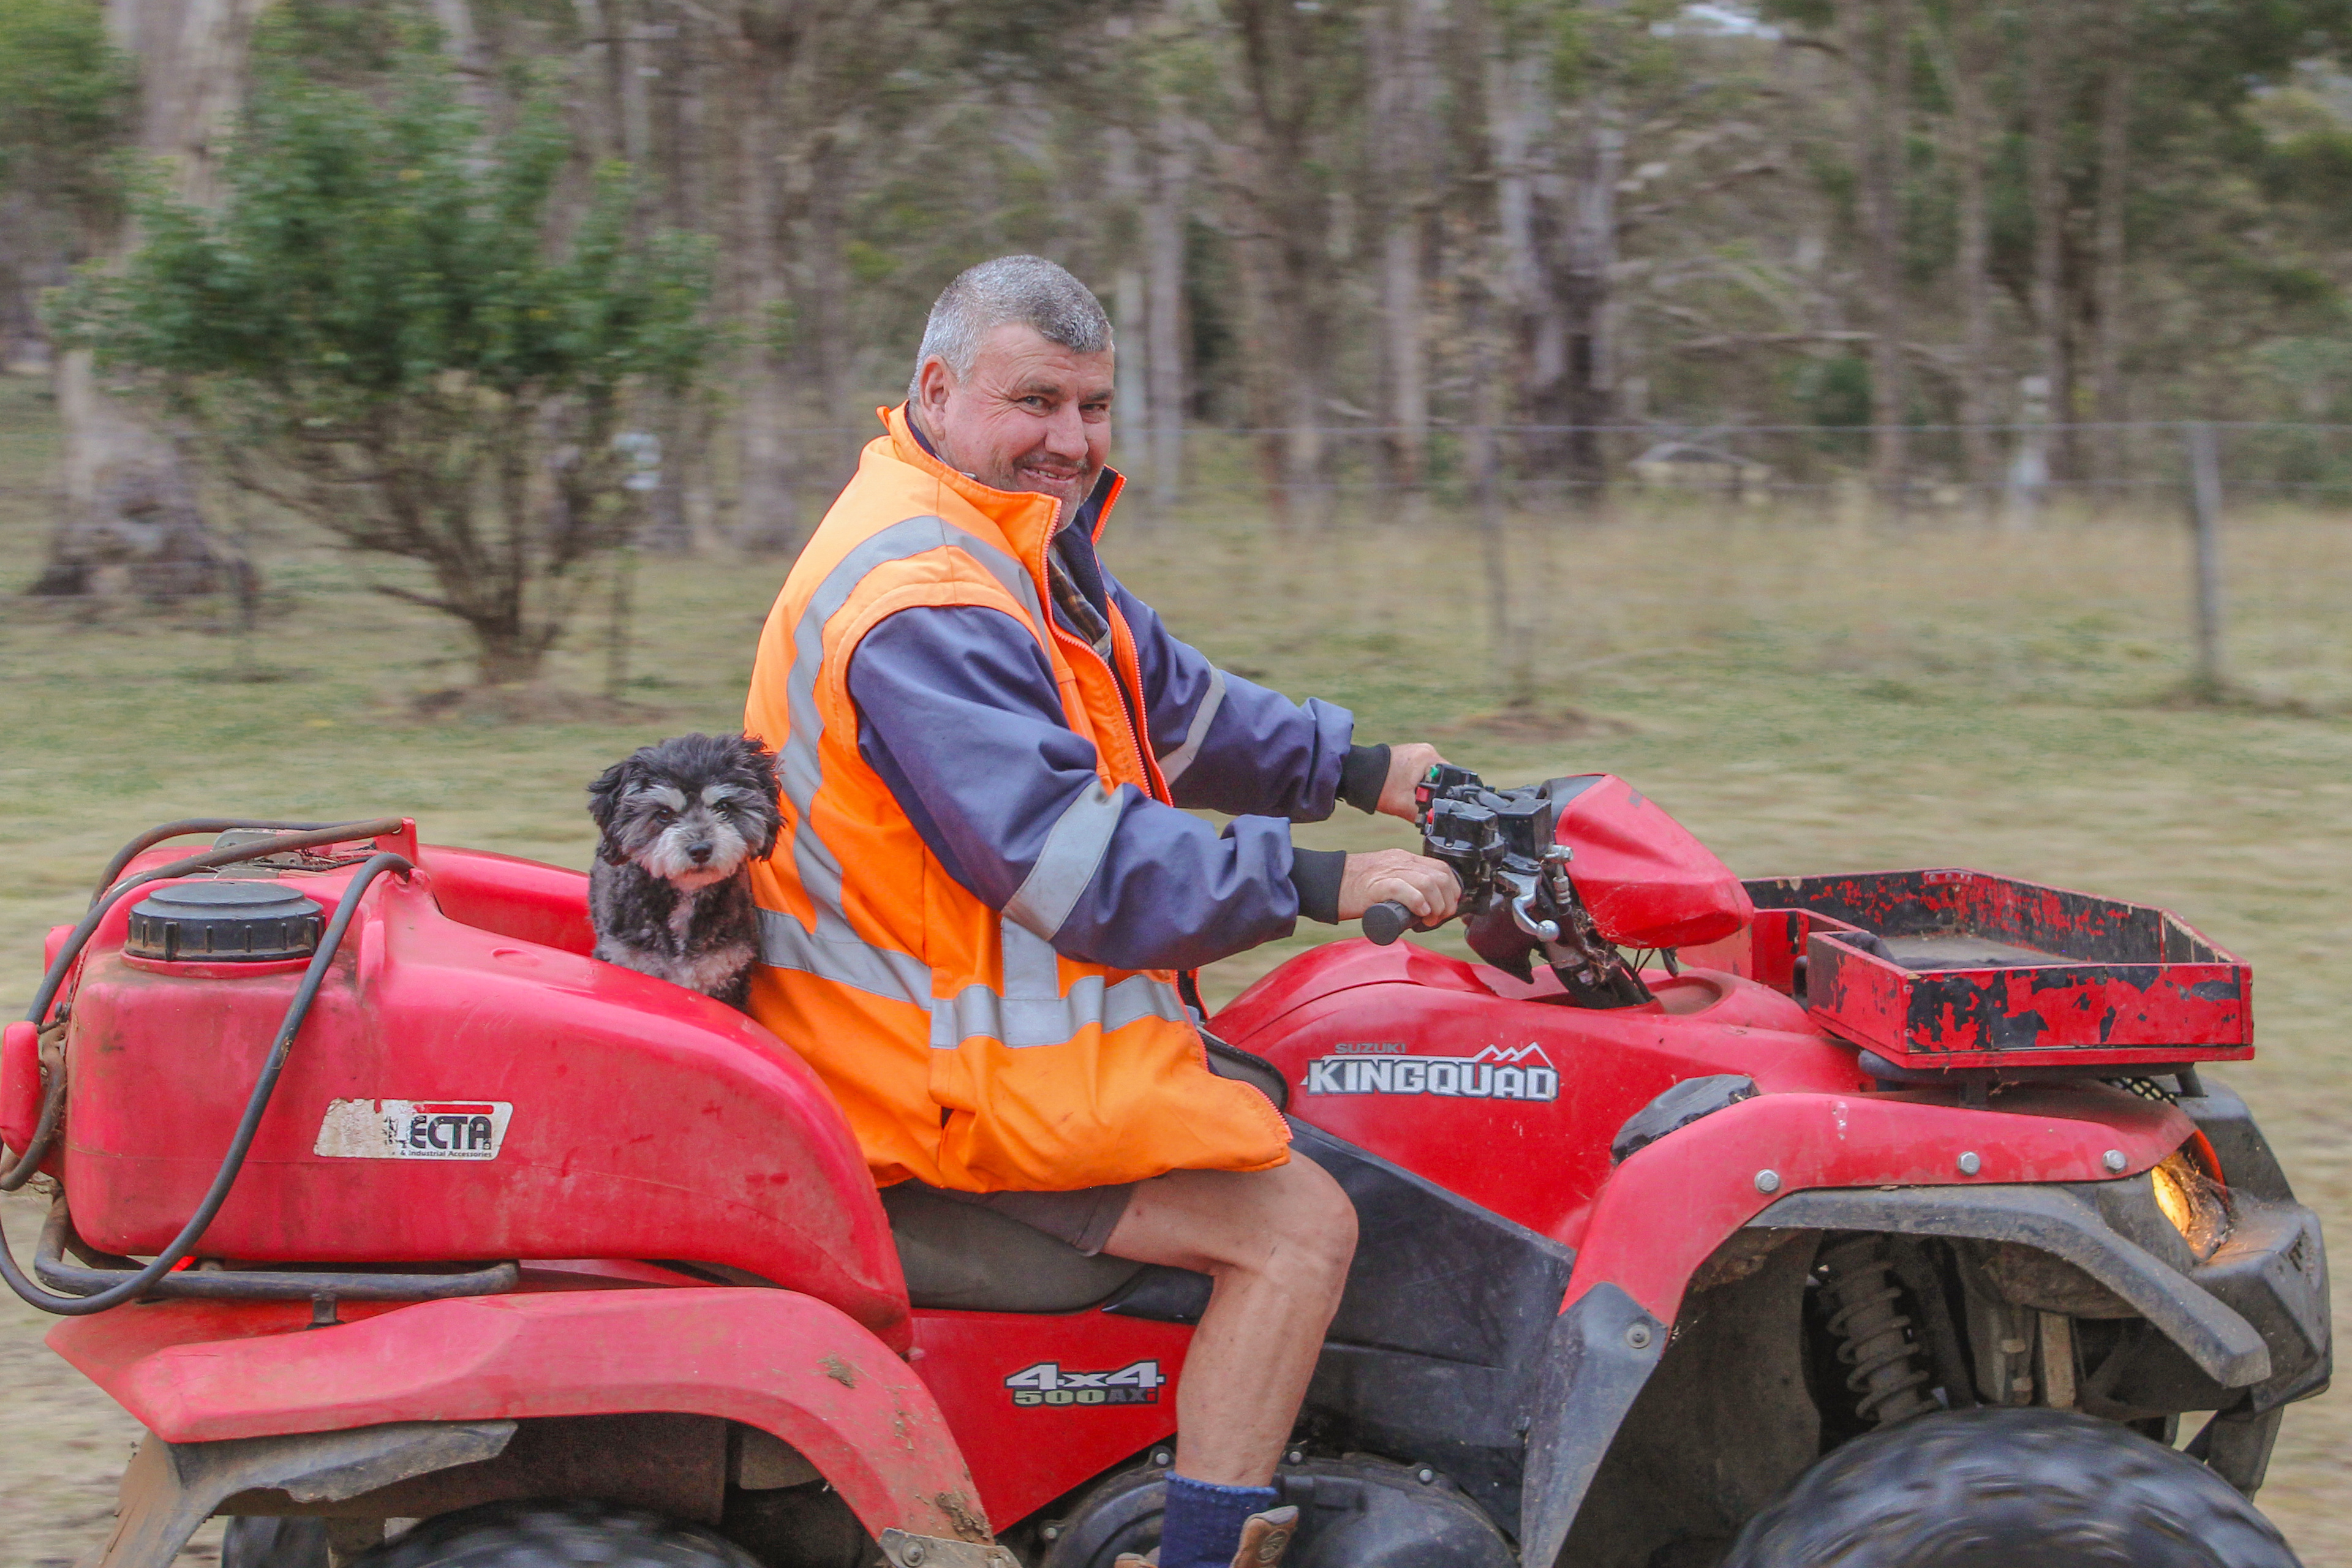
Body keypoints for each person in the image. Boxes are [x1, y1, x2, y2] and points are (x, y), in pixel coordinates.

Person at [742, 255, 1461, 1568]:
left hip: (975, 1070)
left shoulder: (1004, 539)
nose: (1069, 440)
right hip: (918, 1108)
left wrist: (1374, 773)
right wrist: (1321, 879)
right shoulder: (924, 598)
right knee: (1302, 1226)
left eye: (1093, 405)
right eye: (1037, 401)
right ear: (939, 387)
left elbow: (1173, 709)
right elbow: (1072, 865)